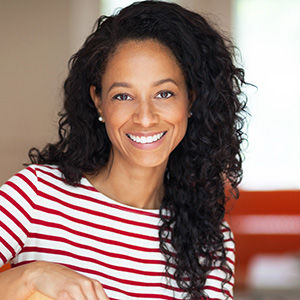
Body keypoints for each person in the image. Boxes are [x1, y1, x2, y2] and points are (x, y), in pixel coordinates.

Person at [0, 1, 247, 299]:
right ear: (98, 101)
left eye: (164, 93)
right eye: (123, 96)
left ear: (191, 100)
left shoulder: (210, 241)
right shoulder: (36, 193)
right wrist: (31, 277)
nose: (145, 117)